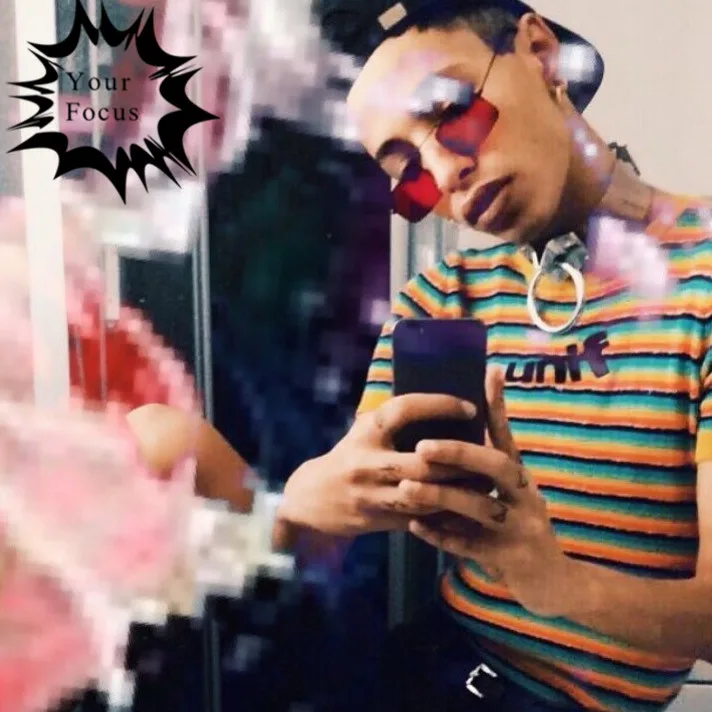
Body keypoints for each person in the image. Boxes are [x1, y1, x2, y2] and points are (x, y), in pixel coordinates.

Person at [265, 1, 712, 710]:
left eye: (451, 111)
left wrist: (558, 586)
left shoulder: (702, 278)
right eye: (408, 173)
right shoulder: (442, 300)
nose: (445, 174)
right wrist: (301, 505)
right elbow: (342, 524)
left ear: (539, 52)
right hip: (428, 665)